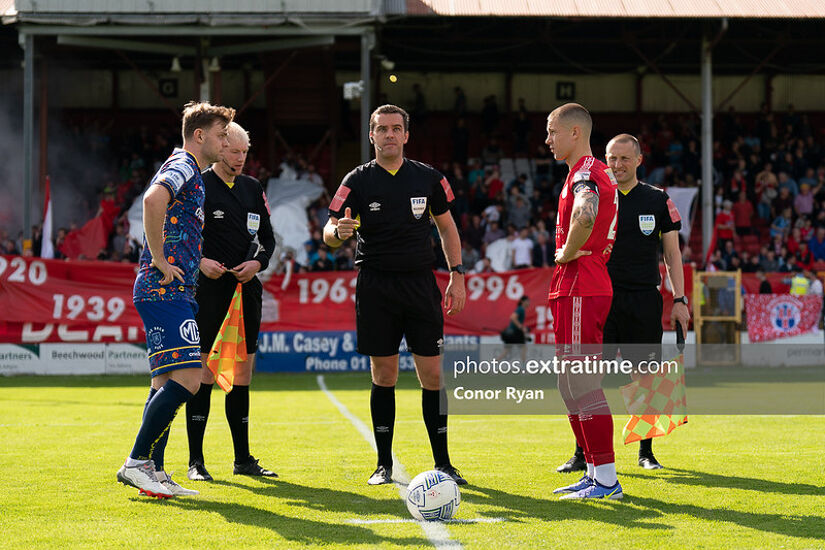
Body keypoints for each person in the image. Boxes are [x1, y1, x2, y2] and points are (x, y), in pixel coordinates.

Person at [323, 104, 467, 486]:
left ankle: (444, 463)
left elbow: (448, 228)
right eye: (381, 129)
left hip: (421, 283)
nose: (389, 134)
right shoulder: (357, 180)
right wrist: (339, 233)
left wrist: (458, 274)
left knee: (432, 375)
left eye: (395, 128)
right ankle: (383, 465)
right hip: (375, 285)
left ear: (406, 135)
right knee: (384, 375)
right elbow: (329, 231)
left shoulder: (429, 178)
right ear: (371, 135)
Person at [117, 101, 234, 498]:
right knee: (189, 378)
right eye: (221, 135)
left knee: (165, 379)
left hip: (167, 287)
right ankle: (136, 462)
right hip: (164, 287)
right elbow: (153, 201)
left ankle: (155, 470)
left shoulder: (189, 169)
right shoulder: (183, 163)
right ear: (199, 135)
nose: (225, 141)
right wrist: (160, 258)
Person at [555, 133, 689, 475]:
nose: (616, 165)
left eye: (624, 159)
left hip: (642, 298)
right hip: (599, 295)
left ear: (639, 161)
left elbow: (672, 254)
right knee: (585, 375)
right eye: (612, 158)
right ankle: (582, 452)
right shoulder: (599, 190)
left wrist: (680, 299)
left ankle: (646, 451)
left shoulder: (658, 200)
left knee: (645, 378)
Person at [185, 122, 277, 482]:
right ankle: (196, 461)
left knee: (242, 374)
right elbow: (181, 236)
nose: (239, 159)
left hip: (247, 291)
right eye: (233, 151)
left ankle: (243, 460)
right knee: (204, 374)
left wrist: (257, 264)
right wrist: (200, 262)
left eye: (244, 153)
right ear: (219, 148)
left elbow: (267, 238)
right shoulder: (199, 186)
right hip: (208, 292)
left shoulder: (254, 188)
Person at [544, 103, 621, 500]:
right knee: (568, 381)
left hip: (582, 282)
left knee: (582, 381)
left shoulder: (587, 173)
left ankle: (607, 478)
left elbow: (586, 215)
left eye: (553, 131)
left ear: (575, 132)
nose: (548, 138)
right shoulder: (579, 173)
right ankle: (593, 470)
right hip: (575, 285)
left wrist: (567, 251)